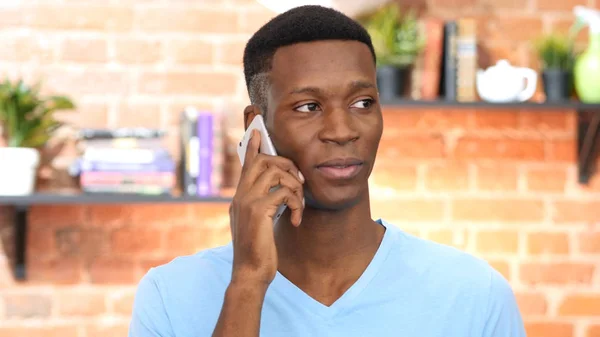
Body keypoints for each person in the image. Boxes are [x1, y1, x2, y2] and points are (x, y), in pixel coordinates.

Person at [128, 5, 526, 337]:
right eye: (308, 107)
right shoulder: (170, 296)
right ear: (257, 127)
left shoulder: (474, 295)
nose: (342, 131)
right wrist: (247, 282)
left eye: (363, 103)